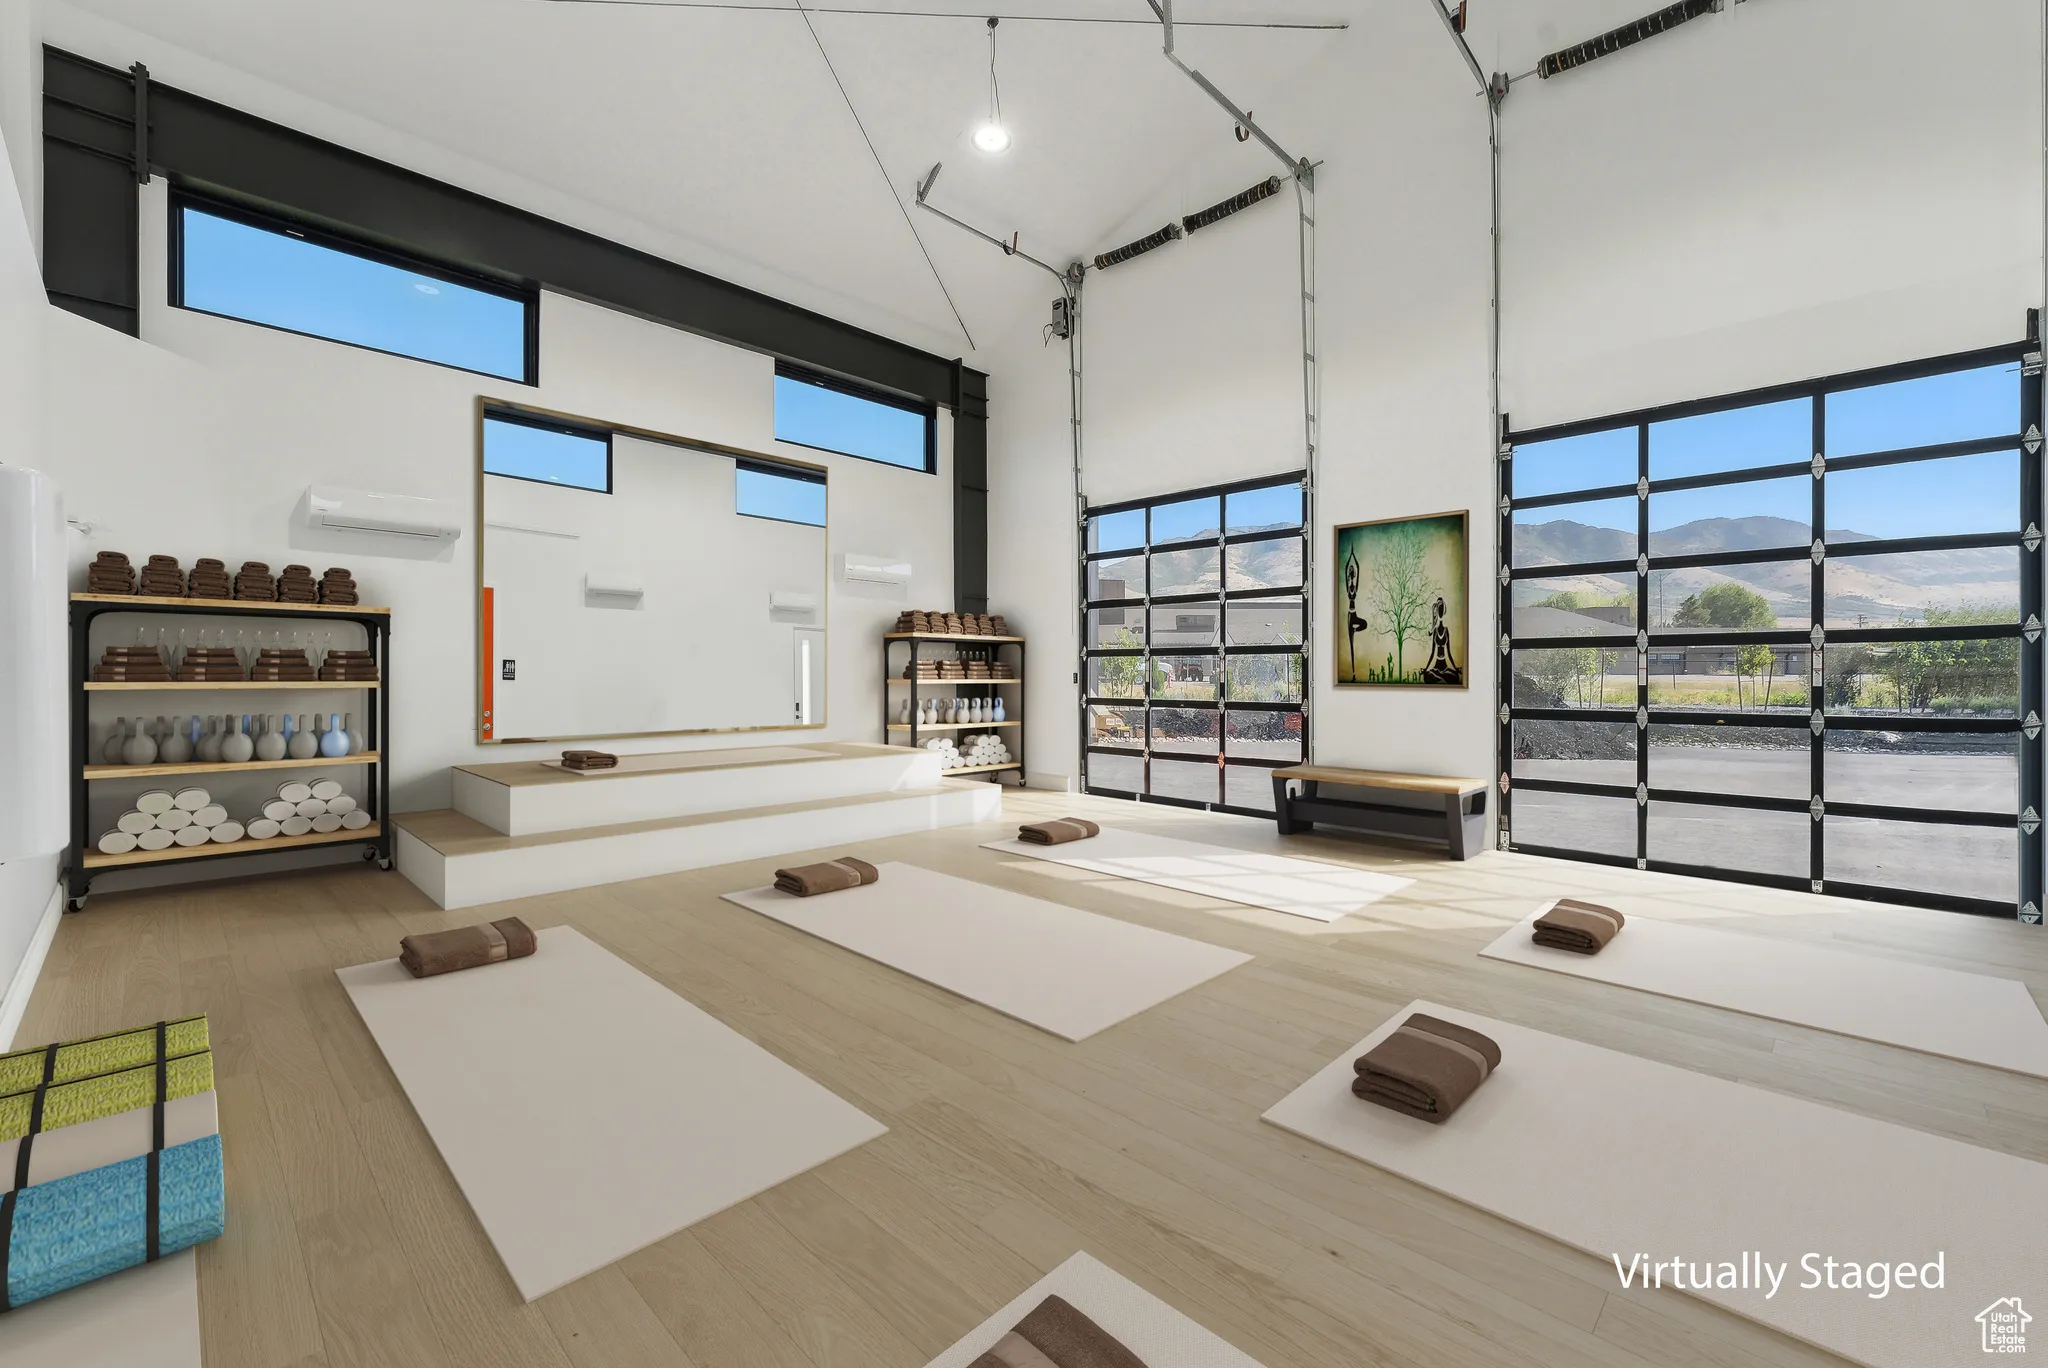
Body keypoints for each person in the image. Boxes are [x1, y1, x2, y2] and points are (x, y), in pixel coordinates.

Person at [1419, 595, 1463, 685]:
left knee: (1455, 677)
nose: (1440, 611)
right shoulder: (1435, 631)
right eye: (1439, 608)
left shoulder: (1446, 631)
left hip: (1444, 666)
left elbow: (1449, 653)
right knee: (1427, 676)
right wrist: (1426, 669)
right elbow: (1432, 653)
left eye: (1441, 607)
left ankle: (1440, 678)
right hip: (1436, 667)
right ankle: (1440, 678)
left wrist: (1456, 668)